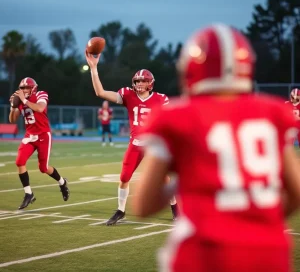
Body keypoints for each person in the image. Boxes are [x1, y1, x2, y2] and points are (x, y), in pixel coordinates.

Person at [133, 24, 300, 272]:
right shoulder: (274, 112)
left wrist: (190, 177)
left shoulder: (176, 116)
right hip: (269, 251)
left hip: (202, 252)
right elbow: (296, 191)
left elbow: (143, 205)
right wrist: (257, 222)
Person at [85, 51, 178, 225]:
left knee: (164, 177)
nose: (140, 83)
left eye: (143, 81)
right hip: (135, 144)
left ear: (150, 83)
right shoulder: (128, 94)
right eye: (137, 81)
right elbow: (100, 92)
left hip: (153, 145)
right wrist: (94, 68)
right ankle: (121, 210)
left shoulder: (160, 99)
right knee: (124, 178)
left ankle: (175, 207)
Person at [9, 77, 70, 210]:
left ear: (33, 88)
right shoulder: (20, 99)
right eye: (22, 88)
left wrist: (24, 100)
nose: (24, 90)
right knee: (19, 161)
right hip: (29, 136)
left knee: (43, 168)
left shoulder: (41, 94)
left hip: (43, 135)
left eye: (26, 88)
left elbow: (40, 108)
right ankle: (28, 193)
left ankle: (62, 182)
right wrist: (13, 107)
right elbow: (12, 120)